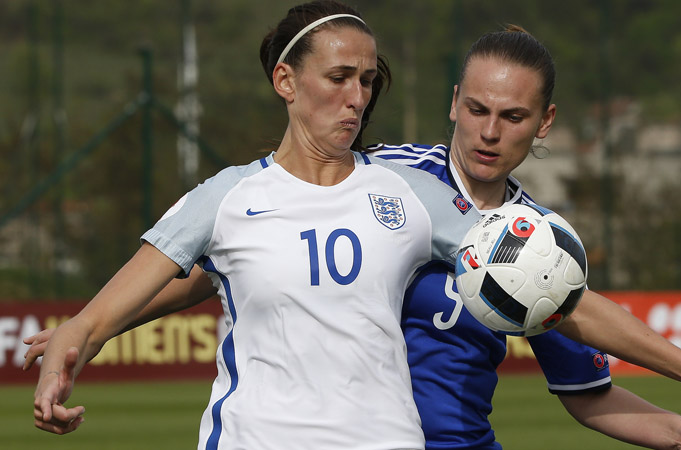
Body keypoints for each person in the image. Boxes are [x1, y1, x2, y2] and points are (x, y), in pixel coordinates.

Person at [28, 15, 681, 450]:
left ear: (544, 124)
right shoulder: (371, 178)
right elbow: (224, 264)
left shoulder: (521, 240)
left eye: (512, 116)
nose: (489, 132)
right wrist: (88, 330)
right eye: (476, 109)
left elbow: (580, 352)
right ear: (453, 103)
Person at [32, 2, 484, 449]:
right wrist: (55, 374)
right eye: (338, 77)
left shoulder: (414, 195)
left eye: (365, 80)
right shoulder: (225, 198)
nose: (358, 97)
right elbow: (87, 324)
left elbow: (515, 264)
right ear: (286, 80)